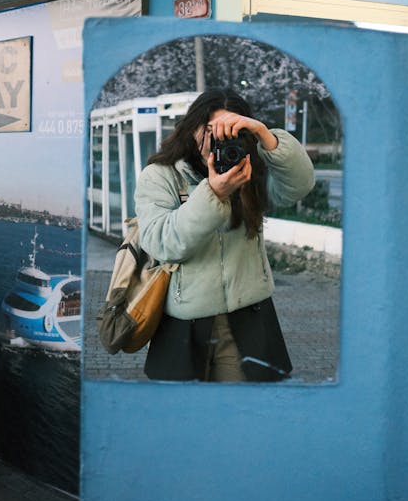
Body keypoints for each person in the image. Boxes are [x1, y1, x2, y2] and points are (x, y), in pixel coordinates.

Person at [135, 89, 315, 382]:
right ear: (191, 126)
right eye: (209, 130)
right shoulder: (162, 175)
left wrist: (264, 135)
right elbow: (161, 242)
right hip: (184, 323)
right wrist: (214, 193)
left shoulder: (249, 171)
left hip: (250, 318)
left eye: (231, 130)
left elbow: (300, 185)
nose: (218, 140)